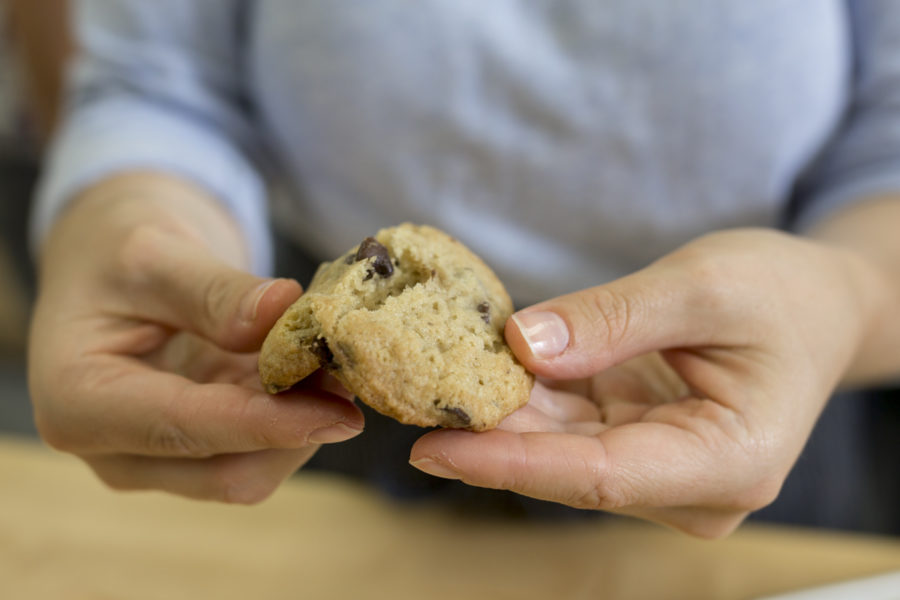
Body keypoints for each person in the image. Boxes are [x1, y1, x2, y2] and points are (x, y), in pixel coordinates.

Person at [27, 1, 900, 539]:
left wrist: (851, 295)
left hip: (746, 400)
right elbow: (159, 86)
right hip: (315, 416)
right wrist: (134, 219)